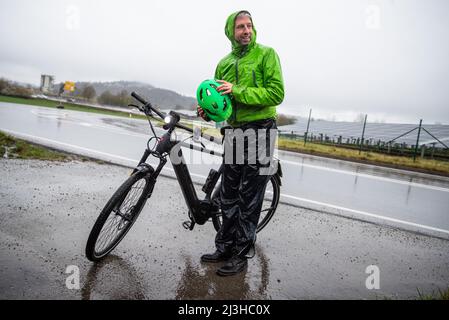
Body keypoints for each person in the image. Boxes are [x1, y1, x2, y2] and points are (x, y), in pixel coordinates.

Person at [197, 10, 284, 276]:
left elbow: (276, 93)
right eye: (240, 27)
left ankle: (242, 252)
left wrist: (236, 90)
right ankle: (223, 246)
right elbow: (221, 104)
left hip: (261, 129)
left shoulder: (266, 54)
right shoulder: (223, 63)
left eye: (249, 26)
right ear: (230, 32)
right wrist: (208, 111)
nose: (246, 30)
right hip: (234, 132)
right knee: (228, 193)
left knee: (250, 197)